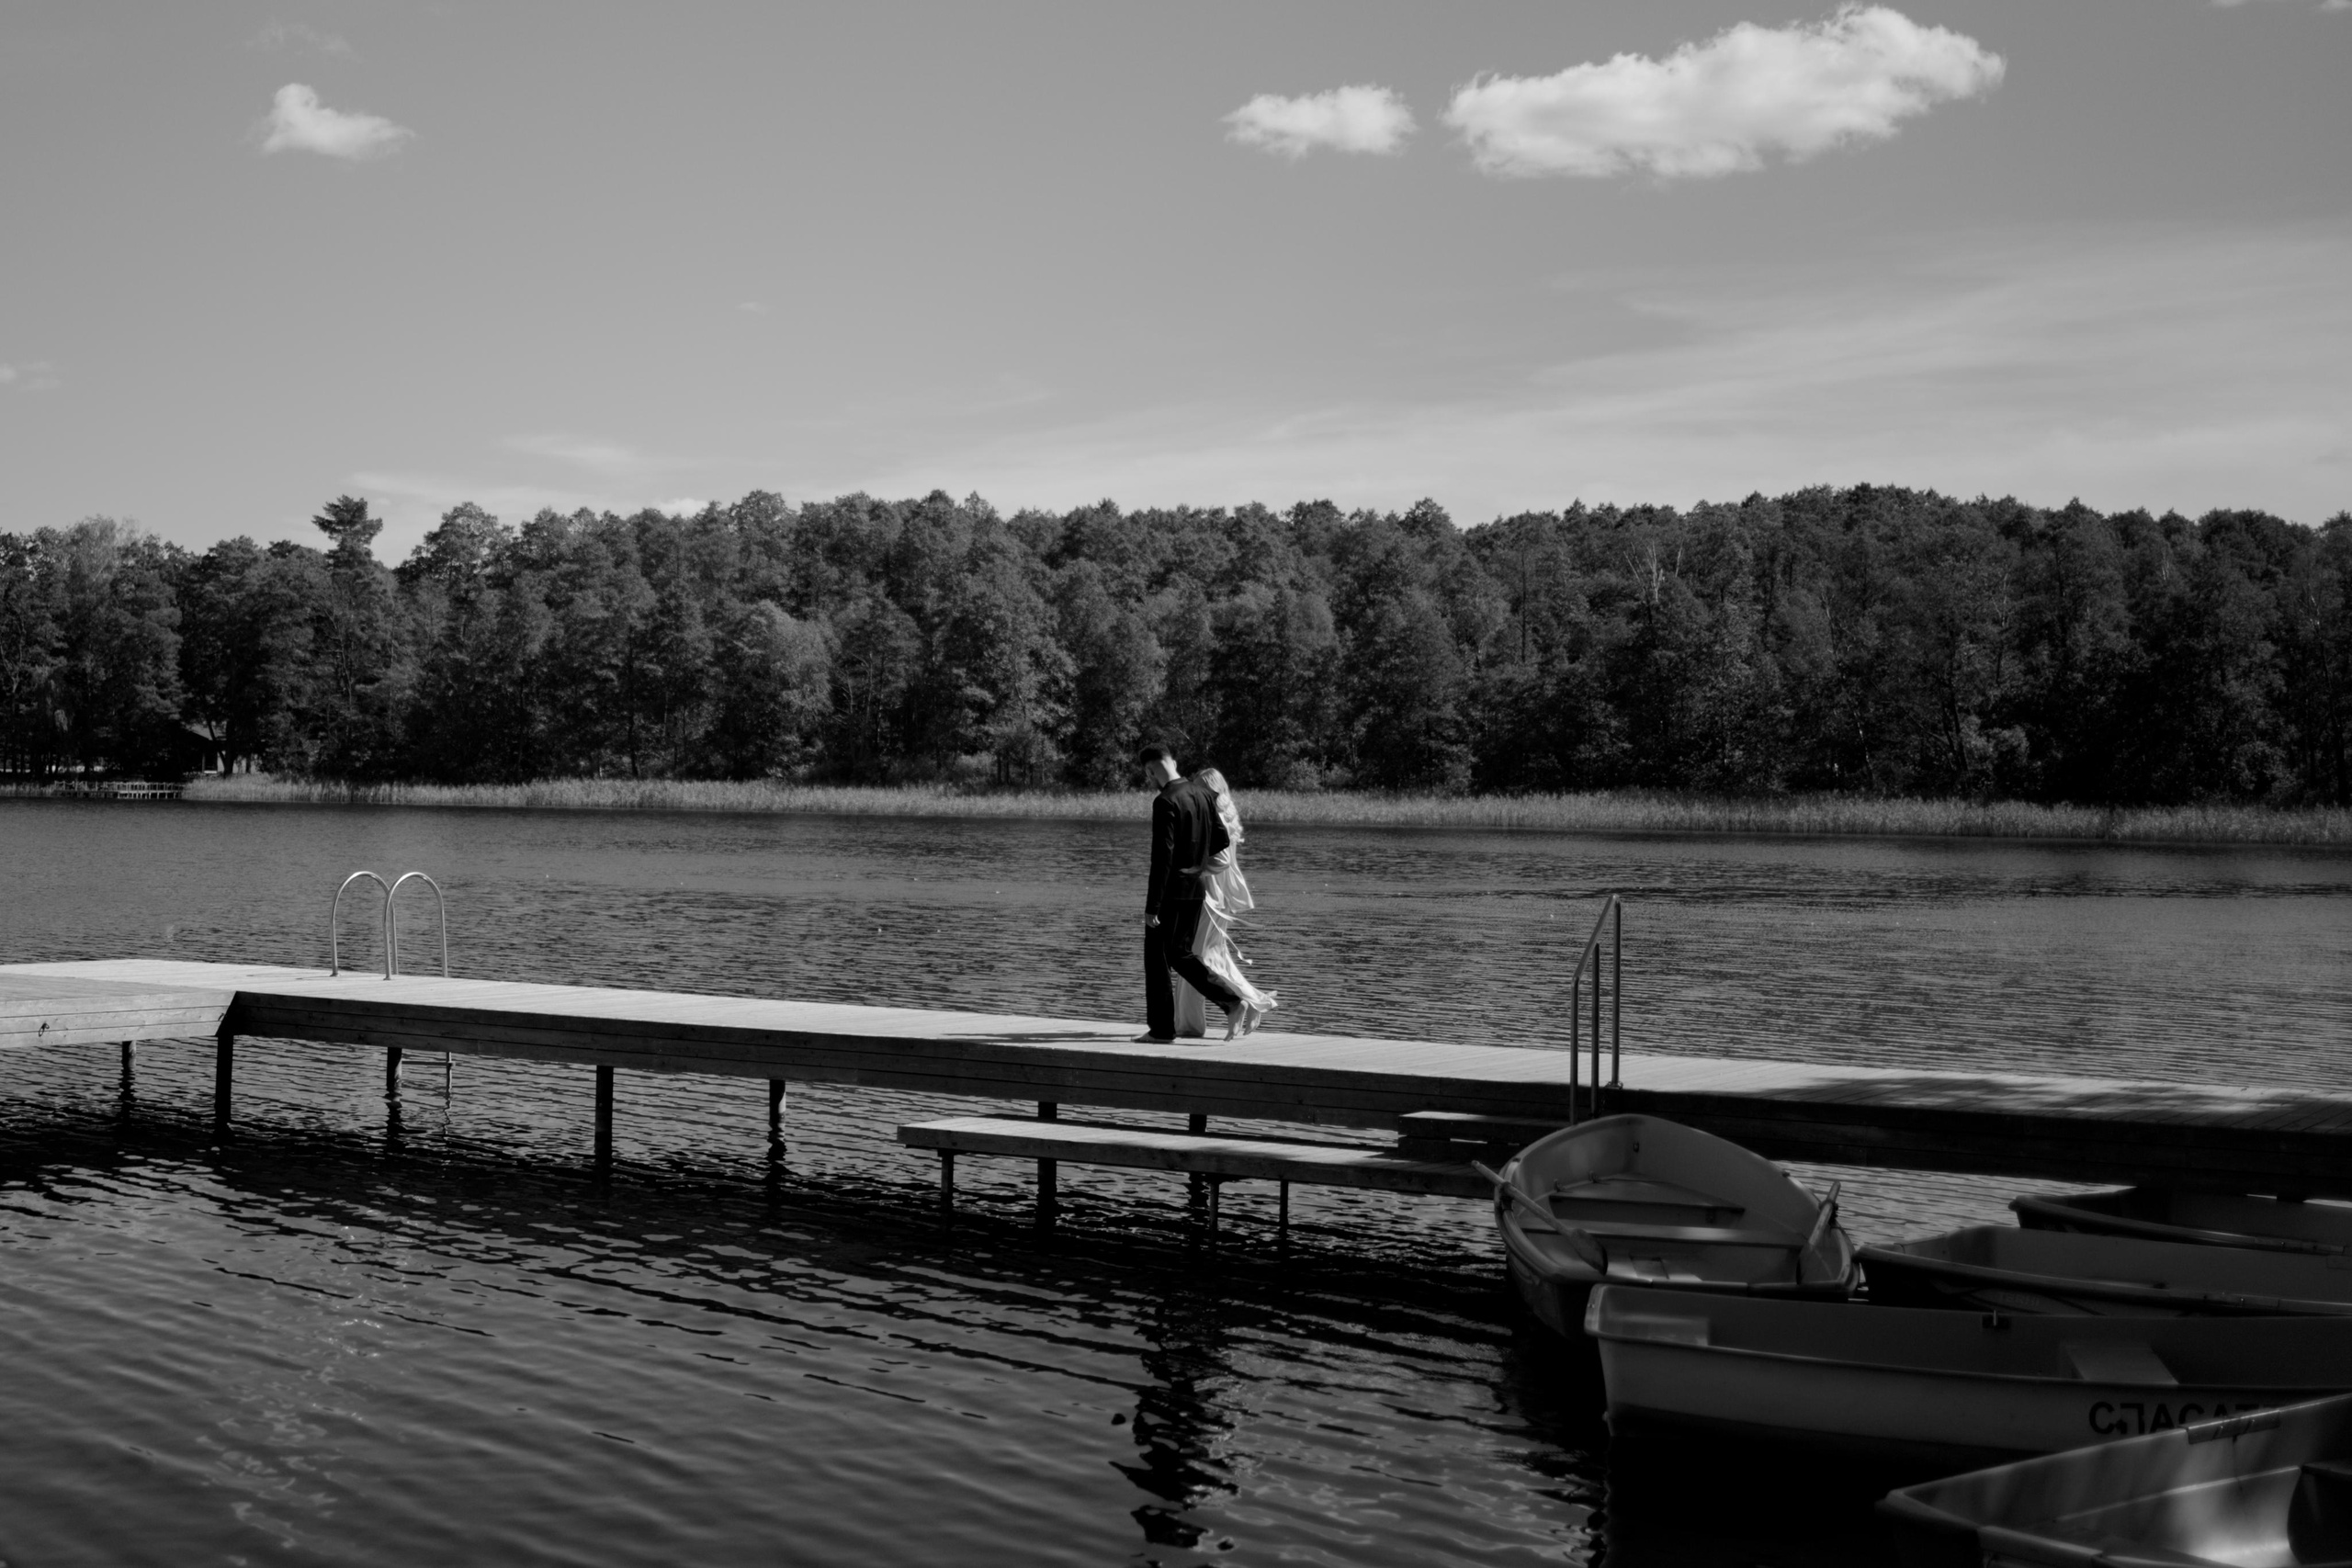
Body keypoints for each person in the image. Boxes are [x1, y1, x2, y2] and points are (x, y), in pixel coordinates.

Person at [1136, 744, 1258, 1044]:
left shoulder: (1165, 801)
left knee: (1158, 959)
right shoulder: (1204, 795)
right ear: (1173, 762)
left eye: (1148, 774)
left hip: (1171, 893)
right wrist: (1195, 866)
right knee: (1181, 955)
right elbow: (1219, 843)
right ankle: (1231, 1001)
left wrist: (1152, 905)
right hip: (1196, 892)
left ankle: (1162, 1030)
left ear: (1151, 770)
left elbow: (1162, 858)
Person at [1170, 767, 1276, 1040]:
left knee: (1193, 961)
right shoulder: (1227, 817)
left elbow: (1215, 862)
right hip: (1221, 897)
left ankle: (1190, 1025)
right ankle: (1251, 1002)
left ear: (1209, 791)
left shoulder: (1209, 817)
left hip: (1207, 896)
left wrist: (1185, 872)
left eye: (1197, 789)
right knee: (1210, 958)